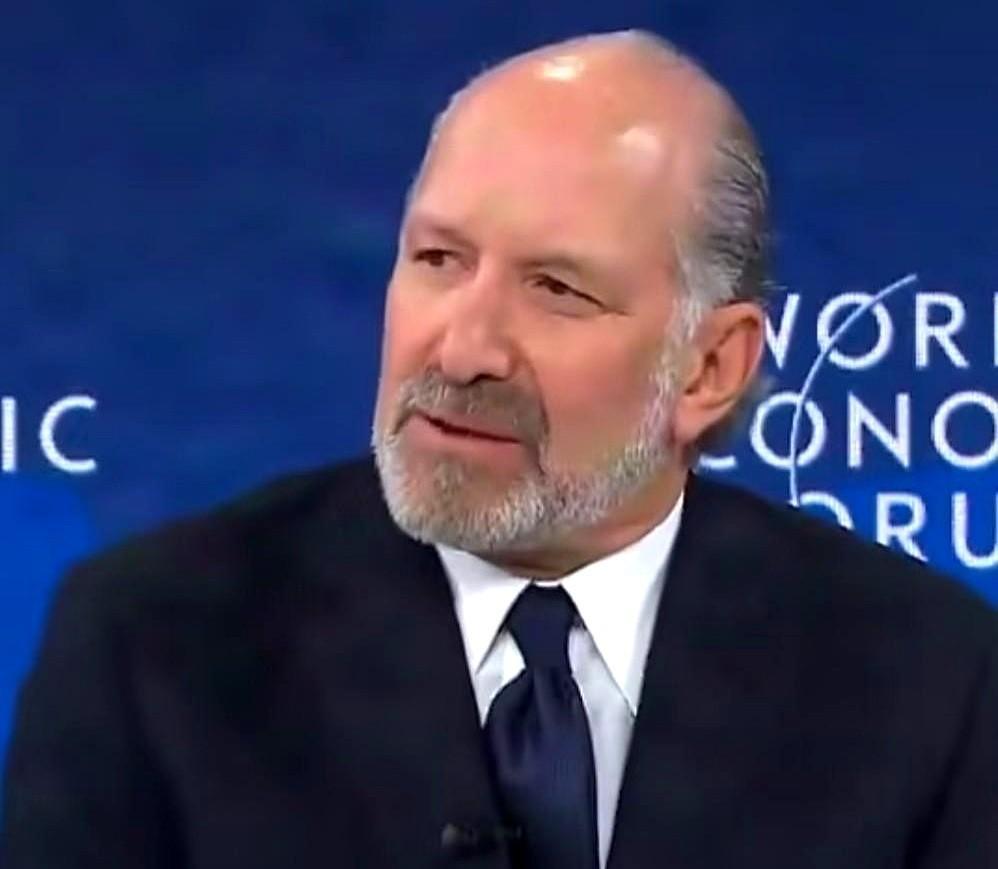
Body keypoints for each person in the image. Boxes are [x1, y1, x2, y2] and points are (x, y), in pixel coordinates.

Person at [2, 30, 995, 869]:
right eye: (438, 259)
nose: (463, 349)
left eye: (557, 288)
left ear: (709, 367)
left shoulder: (924, 683)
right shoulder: (156, 643)